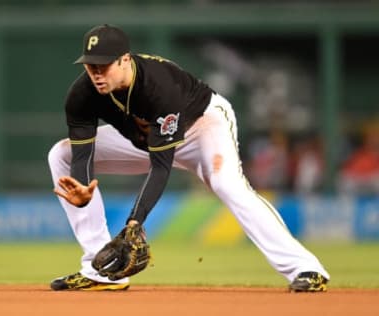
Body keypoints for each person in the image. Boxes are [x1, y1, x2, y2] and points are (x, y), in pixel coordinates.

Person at [47, 24, 330, 292]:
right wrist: (82, 188)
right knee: (61, 154)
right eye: (90, 64)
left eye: (103, 65)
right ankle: (100, 269)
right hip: (147, 138)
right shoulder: (81, 95)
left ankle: (306, 269)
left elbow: (160, 168)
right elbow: (82, 154)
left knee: (226, 184)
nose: (96, 72)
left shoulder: (158, 86)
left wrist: (135, 222)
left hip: (202, 127)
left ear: (124, 60)